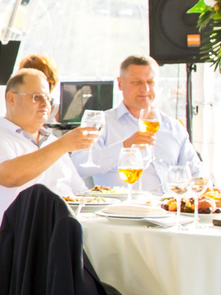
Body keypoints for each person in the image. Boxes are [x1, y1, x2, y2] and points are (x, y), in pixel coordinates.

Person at [0, 69, 96, 233]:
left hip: (62, 231)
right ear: (11, 98)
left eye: (48, 98)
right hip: (18, 237)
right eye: (37, 97)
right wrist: (63, 145)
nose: (45, 104)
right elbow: (10, 177)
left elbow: (80, 192)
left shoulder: (52, 142)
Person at [82, 55, 201, 192]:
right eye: (137, 82)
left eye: (150, 82)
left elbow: (196, 173)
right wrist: (124, 146)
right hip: (121, 210)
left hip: (169, 209)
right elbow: (79, 165)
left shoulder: (173, 127)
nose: (145, 89)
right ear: (120, 83)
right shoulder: (102, 123)